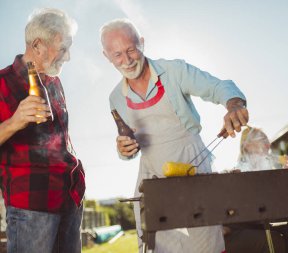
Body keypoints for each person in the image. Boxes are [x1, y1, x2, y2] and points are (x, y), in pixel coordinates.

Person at [101, 18, 248, 253]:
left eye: (130, 49)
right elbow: (128, 148)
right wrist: (123, 150)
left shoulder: (175, 71)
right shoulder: (115, 98)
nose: (127, 60)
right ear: (106, 56)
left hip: (192, 164)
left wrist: (234, 105)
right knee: (157, 246)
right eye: (117, 54)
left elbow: (219, 87)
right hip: (152, 177)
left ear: (142, 43)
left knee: (204, 243)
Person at [0, 8, 85, 253]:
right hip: (31, 207)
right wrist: (15, 121)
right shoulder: (3, 82)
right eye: (63, 47)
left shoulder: (53, 82)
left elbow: (61, 140)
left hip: (70, 198)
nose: (67, 57)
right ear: (37, 45)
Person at [224, 126, 288, 253]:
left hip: (260, 223)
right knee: (274, 241)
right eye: (261, 139)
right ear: (247, 146)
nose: (267, 144)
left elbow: (287, 201)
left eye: (266, 140)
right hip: (239, 226)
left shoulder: (268, 169)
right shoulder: (238, 172)